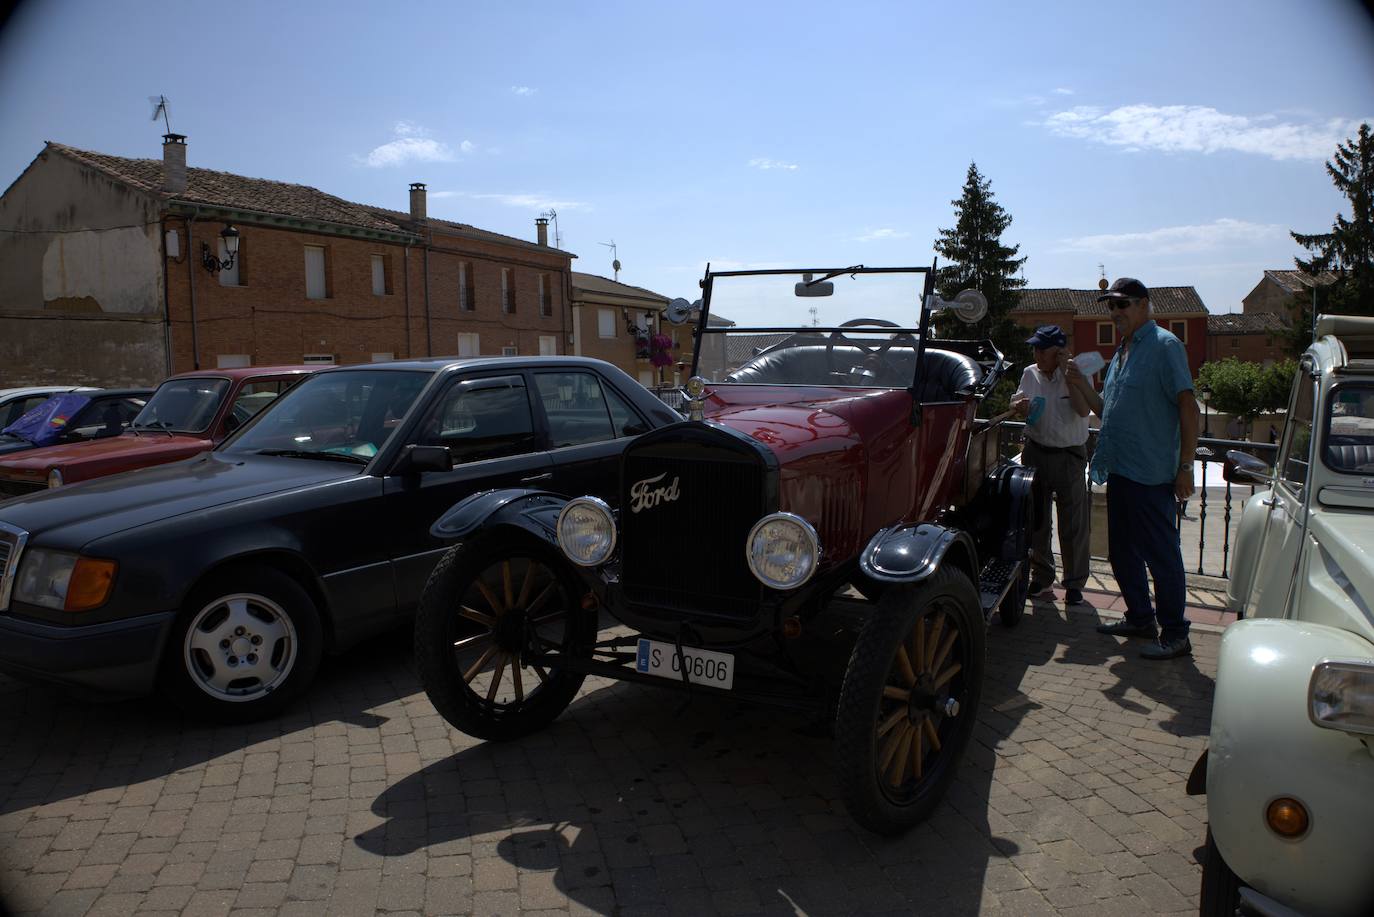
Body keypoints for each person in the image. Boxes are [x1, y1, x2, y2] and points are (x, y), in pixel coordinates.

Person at [1067, 278, 1199, 660]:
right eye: (1111, 306)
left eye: (1122, 304)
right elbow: (1103, 408)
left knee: (1162, 556)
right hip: (1120, 470)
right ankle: (1141, 618)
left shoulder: (1165, 346)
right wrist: (1079, 382)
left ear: (1143, 305)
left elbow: (1188, 408)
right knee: (1121, 553)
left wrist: (1186, 467)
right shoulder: (1122, 351)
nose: (1115, 312)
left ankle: (1176, 633)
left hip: (1153, 473)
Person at [1010, 325, 1091, 606]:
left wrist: (1069, 375)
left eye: (1042, 348)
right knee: (1038, 522)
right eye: (1035, 348)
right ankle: (1042, 578)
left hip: (1069, 455)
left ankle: (1074, 584)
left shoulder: (1078, 373)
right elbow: (1019, 400)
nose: (1037, 353)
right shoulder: (1029, 373)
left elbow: (1083, 410)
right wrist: (1020, 406)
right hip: (1036, 452)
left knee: (1074, 524)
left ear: (1059, 351)